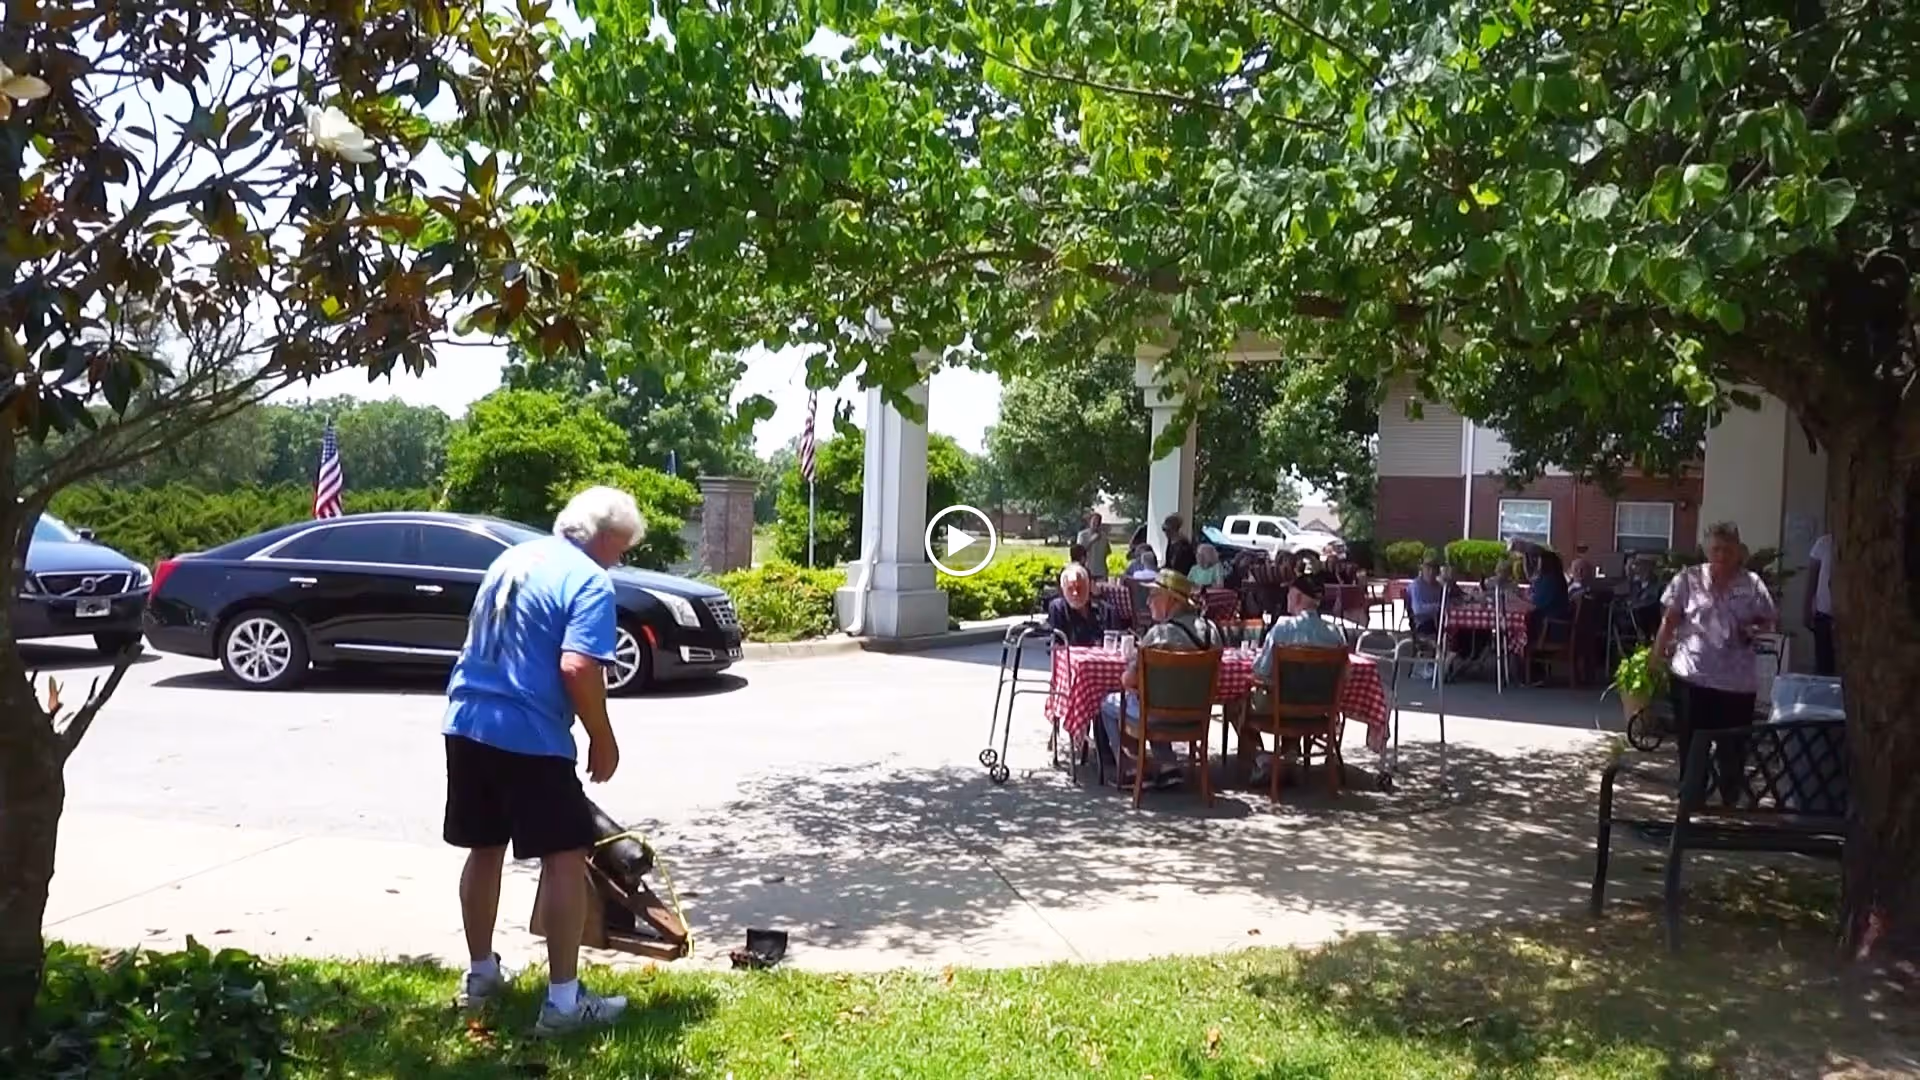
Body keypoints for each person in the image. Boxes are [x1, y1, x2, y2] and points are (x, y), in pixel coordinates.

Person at [442, 486, 640, 1035]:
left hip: (466, 720)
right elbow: (578, 667)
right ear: (602, 537)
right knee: (564, 857)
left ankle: (481, 978)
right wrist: (602, 736)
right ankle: (563, 1005)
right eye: (620, 549)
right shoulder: (588, 579)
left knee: (484, 849)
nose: (618, 561)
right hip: (528, 732)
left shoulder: (511, 559)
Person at [1654, 522, 1777, 797]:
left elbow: (1769, 620)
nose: (1722, 556)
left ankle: (1728, 802)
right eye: (1716, 549)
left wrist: (1754, 629)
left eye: (1728, 550)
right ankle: (1691, 798)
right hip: (1692, 675)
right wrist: (1656, 654)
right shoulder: (1688, 578)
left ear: (1739, 552)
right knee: (1691, 743)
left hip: (1736, 682)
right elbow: (1670, 619)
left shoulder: (1752, 583)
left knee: (1732, 748)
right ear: (1707, 550)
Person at [1098, 569, 1222, 787]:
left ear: (1172, 601)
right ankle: (1167, 765)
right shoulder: (1211, 631)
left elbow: (1128, 680)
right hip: (1197, 717)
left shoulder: (1158, 635)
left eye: (1154, 595)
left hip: (1157, 717)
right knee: (1155, 698)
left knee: (1109, 703)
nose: (1148, 602)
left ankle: (1133, 769)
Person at [1246, 573, 1348, 784]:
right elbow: (1346, 675)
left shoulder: (1283, 628)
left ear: (1298, 597)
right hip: (1320, 709)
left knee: (1239, 704)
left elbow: (1261, 671)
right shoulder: (1335, 633)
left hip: (1282, 706)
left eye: (1289, 595)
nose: (1286, 599)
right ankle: (1289, 757)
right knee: (1294, 696)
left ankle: (1264, 759)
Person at [1047, 563, 1109, 646]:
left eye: (1079, 588)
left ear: (1088, 587)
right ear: (1063, 590)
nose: (1075, 593)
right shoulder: (1058, 608)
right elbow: (1055, 645)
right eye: (1070, 589)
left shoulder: (1105, 610)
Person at [1805, 531, 1836, 676]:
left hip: (1846, 618)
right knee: (1824, 665)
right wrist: (1806, 608)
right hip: (1824, 614)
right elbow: (1812, 579)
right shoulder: (1824, 543)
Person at [1407, 557, 1445, 635]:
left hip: (1438, 621)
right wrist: (1439, 607)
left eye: (1433, 569)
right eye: (1428, 569)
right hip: (1421, 623)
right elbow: (1418, 610)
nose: (1431, 572)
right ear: (1423, 570)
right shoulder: (1416, 586)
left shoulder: (1439, 586)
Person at [1077, 513, 1112, 582]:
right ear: (1089, 522)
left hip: (1101, 572)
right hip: (1087, 571)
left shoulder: (1104, 536)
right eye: (1094, 522)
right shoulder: (1082, 535)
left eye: (1098, 522)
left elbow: (1108, 552)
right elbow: (1079, 551)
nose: (1096, 524)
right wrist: (1092, 540)